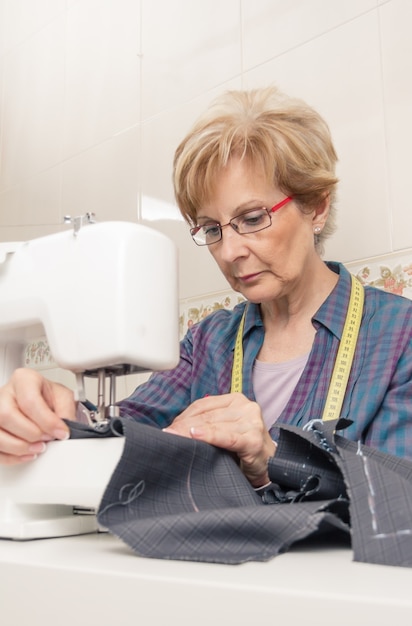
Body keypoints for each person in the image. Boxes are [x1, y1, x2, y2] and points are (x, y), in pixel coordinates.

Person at [1, 86, 412, 490]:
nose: (229, 250)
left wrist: (272, 463)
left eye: (252, 218)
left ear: (316, 206)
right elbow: (127, 433)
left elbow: (400, 493)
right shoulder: (208, 342)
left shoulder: (399, 337)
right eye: (212, 229)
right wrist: (57, 413)